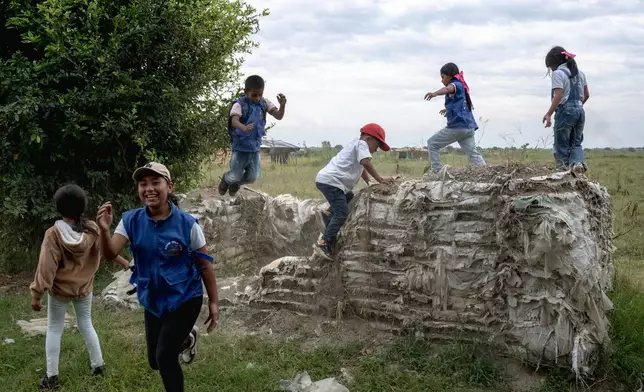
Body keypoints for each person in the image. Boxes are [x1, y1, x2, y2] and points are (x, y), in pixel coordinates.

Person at [96, 162, 219, 392]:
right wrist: (104, 230)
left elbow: (205, 265)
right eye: (143, 184)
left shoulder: (187, 224)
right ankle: (187, 338)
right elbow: (110, 253)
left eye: (156, 182)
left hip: (185, 299)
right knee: (154, 360)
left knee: (164, 357)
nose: (149, 188)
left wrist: (213, 301)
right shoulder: (130, 220)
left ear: (169, 187)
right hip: (153, 299)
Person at [30, 184, 130, 390]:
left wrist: (37, 294)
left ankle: (52, 377)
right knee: (86, 324)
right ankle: (98, 365)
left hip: (59, 291)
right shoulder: (93, 228)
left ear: (58, 208)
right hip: (84, 287)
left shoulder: (53, 234)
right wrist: (122, 261)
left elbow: (46, 267)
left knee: (54, 328)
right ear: (82, 207)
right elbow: (105, 249)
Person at [313, 123, 394, 261]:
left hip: (330, 181)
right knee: (342, 212)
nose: (375, 150)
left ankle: (327, 214)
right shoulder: (362, 144)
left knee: (349, 196)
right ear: (368, 138)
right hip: (331, 182)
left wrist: (369, 182)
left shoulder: (355, 144)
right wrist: (379, 179)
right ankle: (323, 243)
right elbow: (366, 163)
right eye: (377, 145)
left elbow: (361, 168)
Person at [219, 75, 287, 197]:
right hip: (240, 148)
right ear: (246, 92)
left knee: (252, 177)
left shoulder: (264, 103)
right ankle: (226, 180)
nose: (257, 98)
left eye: (260, 94)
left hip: (255, 148)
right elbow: (234, 121)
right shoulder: (239, 104)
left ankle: (236, 184)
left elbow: (279, 116)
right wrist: (244, 128)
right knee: (235, 174)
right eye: (254, 95)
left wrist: (282, 105)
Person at [424, 63, 486, 173]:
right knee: (473, 154)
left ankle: (437, 171)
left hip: (458, 127)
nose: (442, 80)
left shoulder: (456, 84)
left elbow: (448, 89)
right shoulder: (461, 87)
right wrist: (447, 110)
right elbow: (460, 105)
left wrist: (435, 94)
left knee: (432, 143)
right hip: (469, 128)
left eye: (443, 77)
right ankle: (485, 171)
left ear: (450, 76)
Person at [542, 46, 590, 174]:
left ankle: (562, 174)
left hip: (565, 110)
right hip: (580, 110)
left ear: (554, 63)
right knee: (576, 143)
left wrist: (548, 114)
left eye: (550, 66)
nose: (551, 69)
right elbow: (587, 96)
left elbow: (558, 96)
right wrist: (576, 107)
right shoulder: (581, 74)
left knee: (561, 146)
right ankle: (578, 165)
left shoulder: (558, 74)